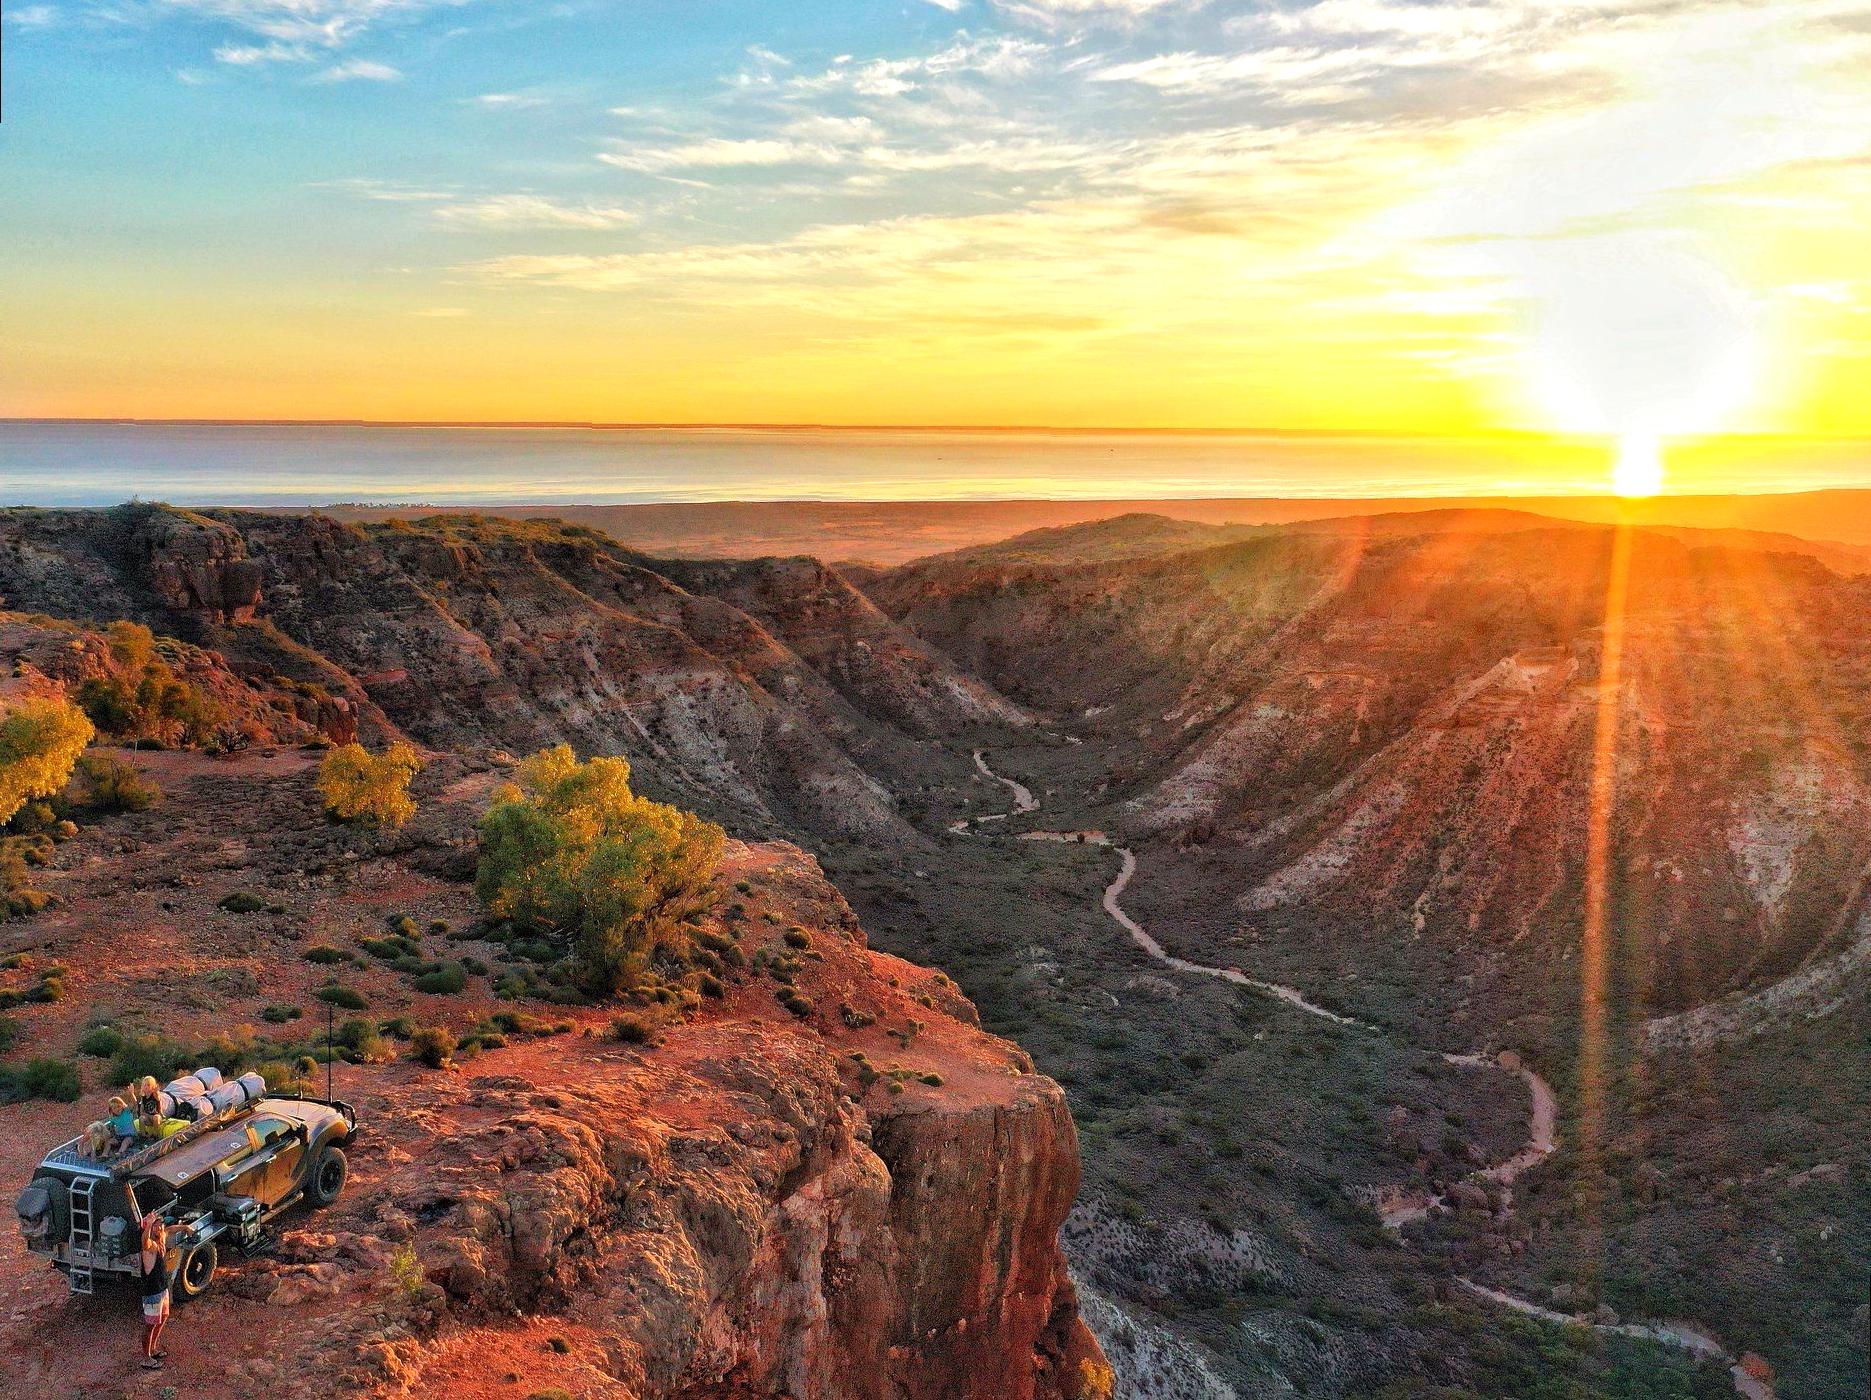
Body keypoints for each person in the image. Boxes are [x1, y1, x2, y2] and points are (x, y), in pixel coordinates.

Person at [138, 1215, 171, 1369]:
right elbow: (144, 1242)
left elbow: (169, 1230)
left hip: (162, 1289)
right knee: (150, 1325)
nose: (159, 1228)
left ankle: (153, 1349)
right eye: (155, 1226)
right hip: (152, 1292)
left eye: (160, 1225)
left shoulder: (160, 1242)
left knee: (163, 1317)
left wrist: (185, 1228)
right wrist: (148, 1226)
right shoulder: (150, 1246)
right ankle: (146, 1358)